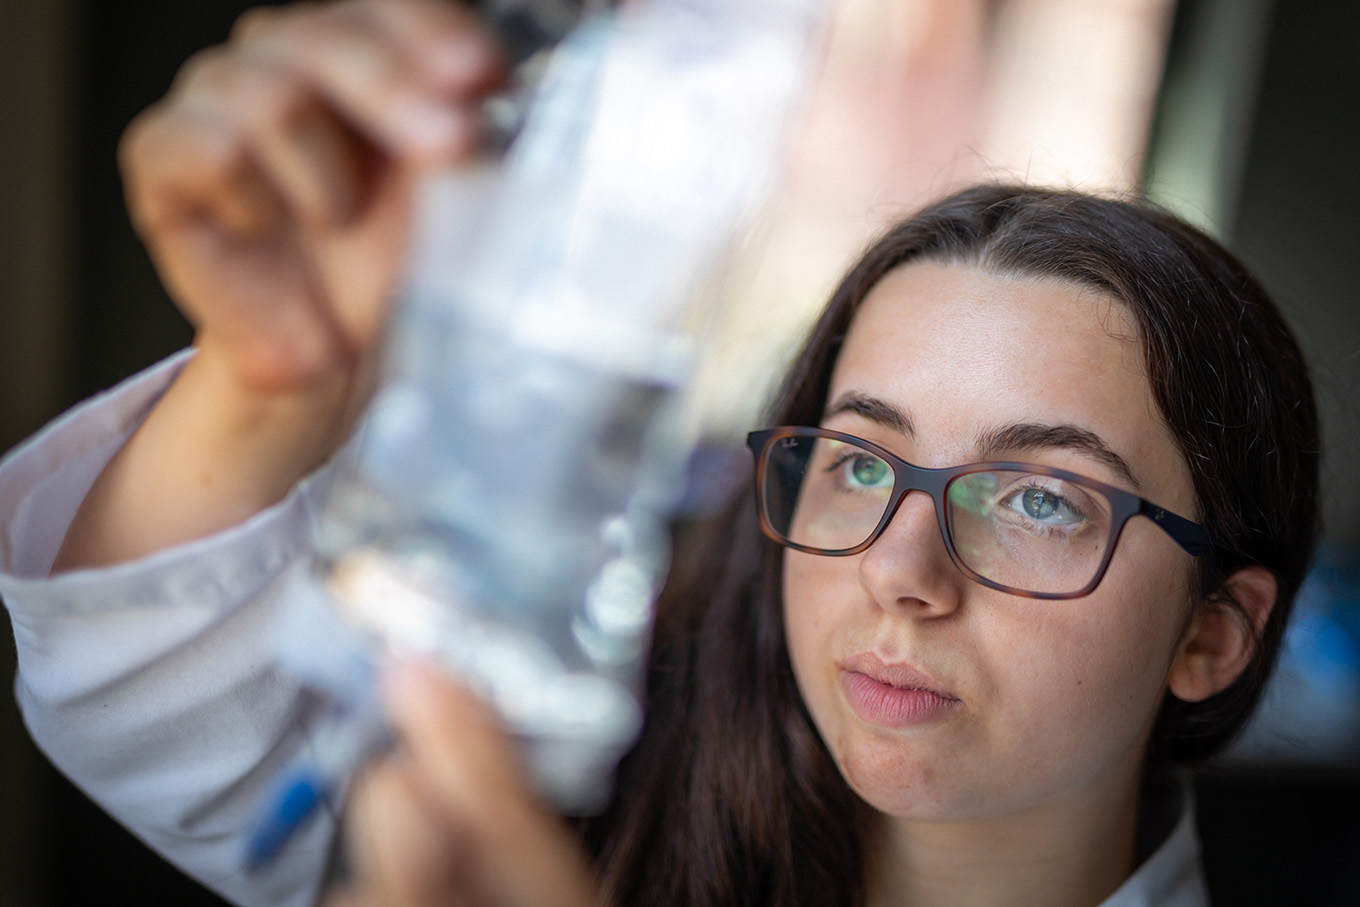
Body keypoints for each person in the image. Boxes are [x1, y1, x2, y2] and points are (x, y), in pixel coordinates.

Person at [0, 1, 1319, 906]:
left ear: (1215, 630)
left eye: (1038, 497)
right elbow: (143, 696)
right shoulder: (572, 783)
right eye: (860, 464)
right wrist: (269, 381)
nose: (904, 573)